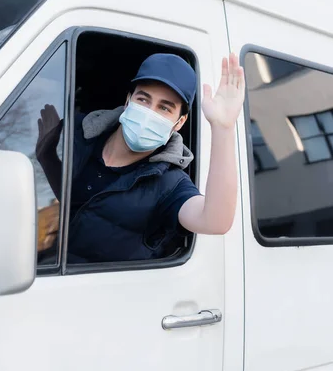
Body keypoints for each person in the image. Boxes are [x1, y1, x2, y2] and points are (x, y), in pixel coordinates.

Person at [36, 52, 245, 263]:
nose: (149, 113)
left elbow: (215, 221)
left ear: (179, 122)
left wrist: (223, 128)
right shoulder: (79, 131)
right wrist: (46, 157)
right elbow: (70, 201)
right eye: (143, 99)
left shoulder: (170, 184)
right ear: (128, 100)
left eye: (164, 108)